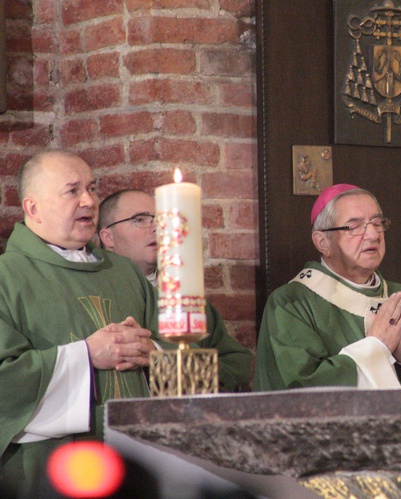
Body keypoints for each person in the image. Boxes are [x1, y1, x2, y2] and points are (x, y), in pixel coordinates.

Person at [0, 151, 159, 494]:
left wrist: (152, 351)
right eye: (72, 191)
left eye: (91, 188)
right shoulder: (6, 277)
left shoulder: (125, 272)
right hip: (49, 470)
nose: (89, 200)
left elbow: (176, 350)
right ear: (32, 208)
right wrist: (85, 355)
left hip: (142, 462)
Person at [254, 184, 401, 390]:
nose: (373, 235)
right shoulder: (291, 304)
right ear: (322, 242)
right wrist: (377, 347)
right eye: (354, 226)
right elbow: (299, 389)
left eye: (377, 223)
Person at [97, 189, 253, 392]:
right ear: (108, 237)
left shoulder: (187, 298)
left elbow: (236, 365)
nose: (157, 228)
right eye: (140, 220)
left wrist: (163, 358)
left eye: (160, 219)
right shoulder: (97, 294)